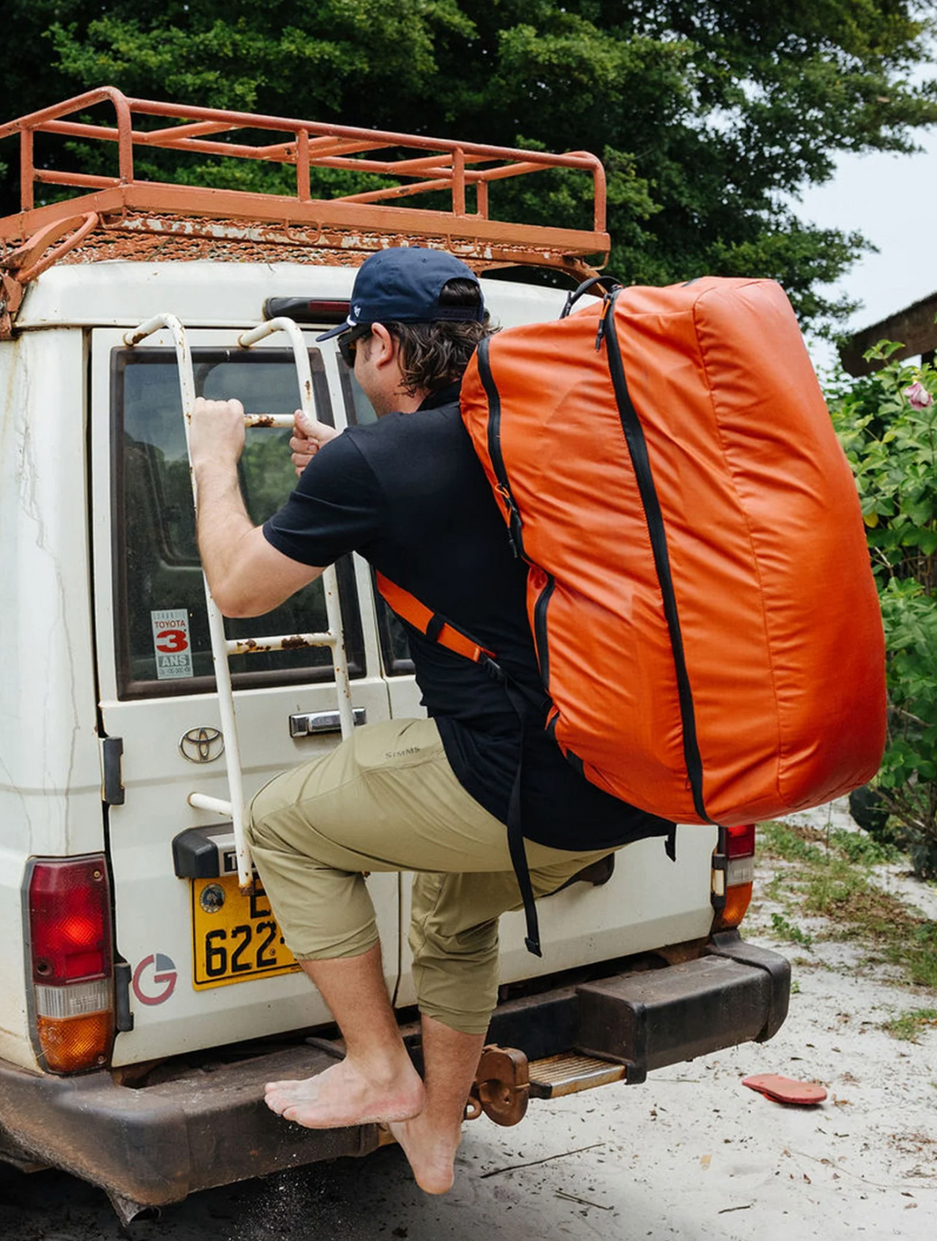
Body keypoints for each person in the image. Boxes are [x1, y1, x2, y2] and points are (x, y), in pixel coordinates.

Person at [188, 247, 672, 1194]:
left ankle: (378, 1069)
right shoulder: (538, 429)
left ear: (377, 344)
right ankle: (435, 1140)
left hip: (517, 781)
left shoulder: (377, 461)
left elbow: (240, 589)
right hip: (625, 778)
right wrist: (351, 466)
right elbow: (461, 516)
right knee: (453, 917)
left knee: (282, 823)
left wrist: (213, 463)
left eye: (354, 345)